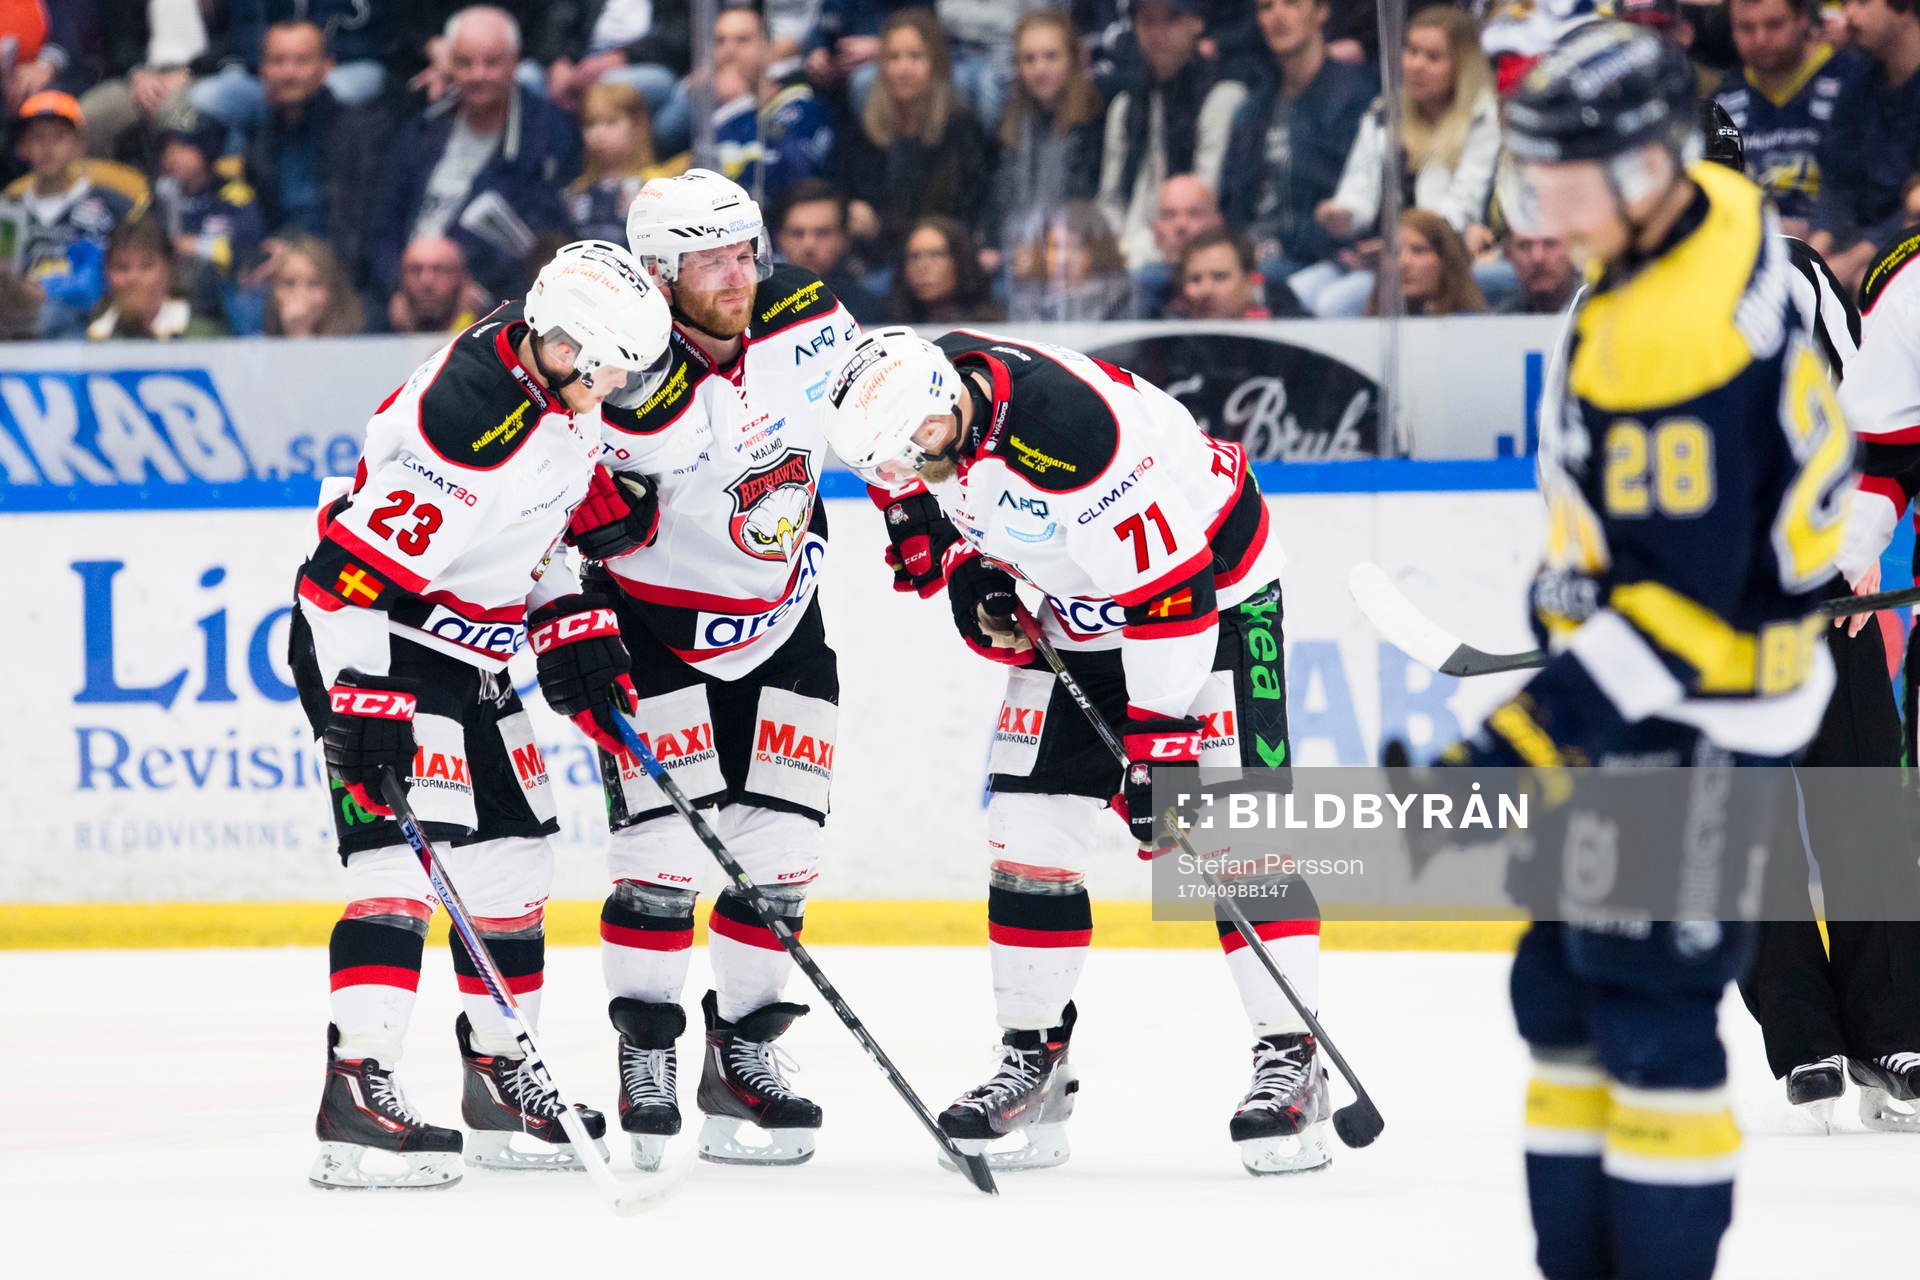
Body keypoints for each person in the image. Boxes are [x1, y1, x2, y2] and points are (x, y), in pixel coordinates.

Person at [1474, 24, 1849, 1277]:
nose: (1545, 210)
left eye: (1568, 179)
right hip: (1669, 679)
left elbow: (1694, 613)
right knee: (1563, 994)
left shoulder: (1669, 341)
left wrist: (1537, 722)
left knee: (1648, 1012)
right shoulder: (1721, 204)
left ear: (1645, 166)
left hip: (1699, 710)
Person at [822, 326, 1320, 1175]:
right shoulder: (912, 397)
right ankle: (1034, 1060)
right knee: (1027, 837)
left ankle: (1291, 1057)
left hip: (1212, 594)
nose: (910, 465)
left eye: (920, 450)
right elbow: (899, 474)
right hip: (1081, 600)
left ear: (949, 405)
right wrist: (955, 556)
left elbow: (1174, 596)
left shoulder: (1069, 437)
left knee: (1234, 832)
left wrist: (1159, 742)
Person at [295, 239, 673, 1190]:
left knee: (513, 860)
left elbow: (527, 529)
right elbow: (339, 582)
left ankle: (503, 1079)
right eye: (613, 368)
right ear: (570, 348)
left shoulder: (551, 371)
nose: (620, 385)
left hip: (471, 648)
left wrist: (571, 617)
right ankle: (356, 1092)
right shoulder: (469, 428)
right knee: (396, 865)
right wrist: (365, 699)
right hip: (380, 644)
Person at [559, 169, 864, 1172]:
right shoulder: (611, 355)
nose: (737, 276)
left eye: (745, 252)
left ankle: (745, 1057)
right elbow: (544, 492)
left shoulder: (810, 315)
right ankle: (644, 1051)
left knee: (781, 852)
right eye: (710, 261)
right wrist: (565, 605)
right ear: (659, 272)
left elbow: (875, 419)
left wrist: (919, 524)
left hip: (785, 617)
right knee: (660, 858)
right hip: (649, 628)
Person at [367, 6, 581, 302]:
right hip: (408, 290)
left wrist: (473, 289)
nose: (478, 75)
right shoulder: (422, 128)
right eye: (465, 63)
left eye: (491, 63)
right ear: (449, 64)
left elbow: (541, 238)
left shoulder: (548, 132)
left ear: (515, 62)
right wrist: (397, 289)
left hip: (491, 295)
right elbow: (383, 224)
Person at [1306, 4, 1500, 317]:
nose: (1417, 65)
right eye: (1411, 51)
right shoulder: (1384, 112)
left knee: (1334, 304)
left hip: (1449, 259)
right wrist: (1341, 214)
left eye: (1433, 57)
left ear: (1462, 65)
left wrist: (1402, 244)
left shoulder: (1481, 117)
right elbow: (1358, 187)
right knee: (1302, 290)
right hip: (1384, 256)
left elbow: (1463, 205)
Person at [1220, 0, 1375, 283]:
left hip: (1324, 259)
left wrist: (1282, 247)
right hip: (1252, 257)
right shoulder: (1252, 111)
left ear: (1321, 10)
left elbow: (1359, 200)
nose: (1277, 16)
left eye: (1291, 3)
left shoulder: (1357, 98)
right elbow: (1232, 203)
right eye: (1266, 7)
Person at [836, 8, 995, 267]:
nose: (903, 68)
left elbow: (969, 208)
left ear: (936, 63)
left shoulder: (960, 129)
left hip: (944, 262)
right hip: (878, 262)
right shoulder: (863, 130)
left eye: (915, 56)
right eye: (893, 57)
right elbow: (844, 191)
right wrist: (853, 210)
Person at [1096, 0, 1247, 271]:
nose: (1157, 32)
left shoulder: (1222, 97)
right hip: (1128, 249)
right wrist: (1113, 249)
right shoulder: (1125, 105)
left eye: (1171, 19)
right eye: (1147, 22)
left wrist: (1132, 253)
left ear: (1196, 22)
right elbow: (1110, 200)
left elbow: (1201, 205)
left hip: (1194, 252)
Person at [239, 19, 378, 288]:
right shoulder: (256, 136)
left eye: (302, 61)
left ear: (327, 67)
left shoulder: (361, 133)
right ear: (263, 69)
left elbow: (361, 229)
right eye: (278, 61)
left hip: (343, 274)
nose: (288, 73)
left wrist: (304, 259)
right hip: (277, 269)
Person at [1715, 0, 1862, 238]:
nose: (1760, 39)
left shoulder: (1854, 81)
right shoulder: (1720, 101)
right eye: (1745, 27)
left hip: (1842, 251)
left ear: (1803, 17)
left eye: (1774, 25)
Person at [2, 91, 144, 338]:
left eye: (59, 137)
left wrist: (52, 292)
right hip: (17, 322)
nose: (47, 147)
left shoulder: (110, 205)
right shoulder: (8, 211)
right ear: (23, 146)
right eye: (37, 138)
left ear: (79, 144)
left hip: (89, 320)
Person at [1808, 0, 1920, 293]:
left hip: (1902, 239)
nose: (1849, 16)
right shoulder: (1859, 80)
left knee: (1869, 284)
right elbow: (1836, 175)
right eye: (1847, 4)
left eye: (1863, 3)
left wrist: (1856, 257)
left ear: (1906, 8)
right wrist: (1818, 245)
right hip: (1858, 236)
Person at [988, 8, 1104, 257]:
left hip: (1071, 251)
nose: (1039, 69)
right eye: (1029, 59)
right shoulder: (1008, 124)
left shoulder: (1095, 121)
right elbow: (997, 201)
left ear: (1072, 59)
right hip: (1015, 250)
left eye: (1051, 57)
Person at [708, 5, 834, 209]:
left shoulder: (800, 105)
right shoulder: (712, 112)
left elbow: (789, 178)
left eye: (742, 40)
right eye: (720, 41)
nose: (729, 50)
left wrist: (740, 105)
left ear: (769, 49)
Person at [152, 104, 265, 331]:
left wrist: (199, 247)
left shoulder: (233, 195)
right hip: (171, 292)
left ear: (207, 149)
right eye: (168, 148)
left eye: (184, 147)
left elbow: (249, 248)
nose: (172, 156)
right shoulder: (161, 194)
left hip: (222, 293)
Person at [567, 80, 687, 245]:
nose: (598, 133)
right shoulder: (577, 191)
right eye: (590, 123)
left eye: (611, 122)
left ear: (638, 125)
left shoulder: (656, 187)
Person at [85, 214, 227, 339]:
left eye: (146, 266)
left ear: (170, 270)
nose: (133, 278)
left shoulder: (203, 337)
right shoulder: (95, 336)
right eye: (122, 268)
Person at [774, 178, 885, 323]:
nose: (809, 245)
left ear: (844, 238)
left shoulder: (872, 310)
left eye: (822, 233)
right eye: (797, 233)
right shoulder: (757, 309)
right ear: (780, 239)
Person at [1006, 200, 1136, 321]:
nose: (1063, 259)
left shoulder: (1118, 303)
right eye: (1055, 247)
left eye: (1075, 248)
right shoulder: (1026, 302)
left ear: (1099, 253)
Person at [1133, 172, 1225, 317]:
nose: (1181, 225)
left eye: (1194, 213)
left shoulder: (1258, 289)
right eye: (1169, 215)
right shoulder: (1132, 292)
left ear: (1217, 224)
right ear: (1156, 232)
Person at [1368, 209, 1487, 316]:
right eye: (1394, 252)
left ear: (1446, 261)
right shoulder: (1371, 328)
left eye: (1418, 251)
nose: (1402, 263)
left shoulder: (1471, 326)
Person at [886, 214, 1002, 323]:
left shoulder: (993, 328)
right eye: (914, 256)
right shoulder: (886, 325)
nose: (923, 266)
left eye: (937, 254)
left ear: (960, 261)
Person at [1175, 225, 1307, 318]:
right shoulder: (1166, 339)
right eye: (1195, 279)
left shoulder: (1291, 326)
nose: (1206, 290)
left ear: (1249, 282)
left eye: (1220, 277)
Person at [264, 232, 364, 336]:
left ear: (333, 290)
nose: (300, 295)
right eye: (289, 283)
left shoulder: (357, 342)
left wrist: (299, 330)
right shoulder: (252, 338)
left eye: (314, 284)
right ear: (273, 288)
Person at [1495, 230, 1580, 314]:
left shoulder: (1591, 309)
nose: (1537, 258)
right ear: (1508, 253)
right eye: (1525, 246)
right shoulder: (1500, 320)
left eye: (1550, 243)